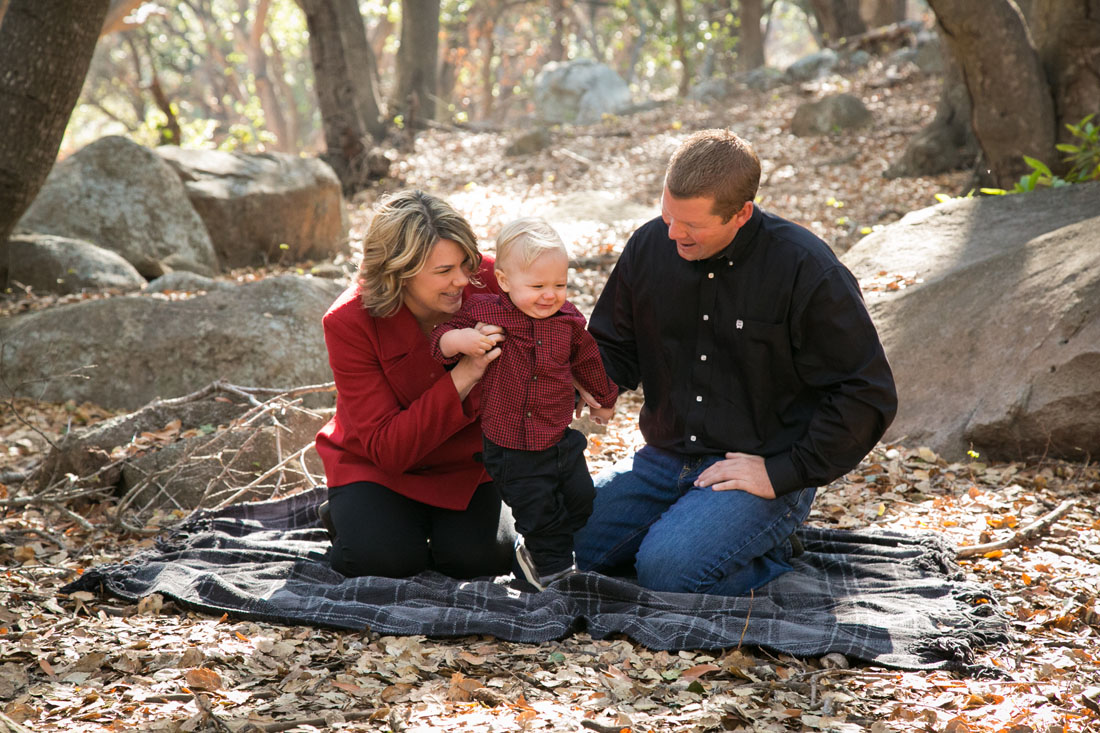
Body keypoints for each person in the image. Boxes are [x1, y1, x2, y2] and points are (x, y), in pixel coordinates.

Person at [575, 129, 898, 595]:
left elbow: (866, 393)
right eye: (668, 215)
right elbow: (614, 346)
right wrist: (586, 383)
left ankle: (767, 547)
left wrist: (782, 472)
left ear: (741, 213)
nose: (672, 233)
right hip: (664, 460)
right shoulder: (649, 247)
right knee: (558, 544)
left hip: (761, 467)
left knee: (667, 573)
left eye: (690, 225)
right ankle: (691, 534)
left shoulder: (806, 268)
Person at [314, 189, 515, 579]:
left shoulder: (491, 279)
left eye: (465, 262)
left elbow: (553, 318)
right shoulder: (348, 321)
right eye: (443, 272)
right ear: (398, 273)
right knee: (380, 561)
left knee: (481, 561)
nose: (462, 279)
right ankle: (348, 513)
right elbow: (387, 449)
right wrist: (465, 374)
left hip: (467, 461)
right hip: (377, 464)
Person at [430, 218, 618, 590]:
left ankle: (540, 548)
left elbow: (588, 361)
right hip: (510, 442)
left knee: (581, 497)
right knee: (538, 510)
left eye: (559, 285)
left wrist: (604, 401)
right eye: (537, 286)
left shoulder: (567, 322)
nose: (550, 295)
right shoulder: (485, 312)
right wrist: (461, 341)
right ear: (504, 281)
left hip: (556, 434)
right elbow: (439, 341)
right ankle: (552, 574)